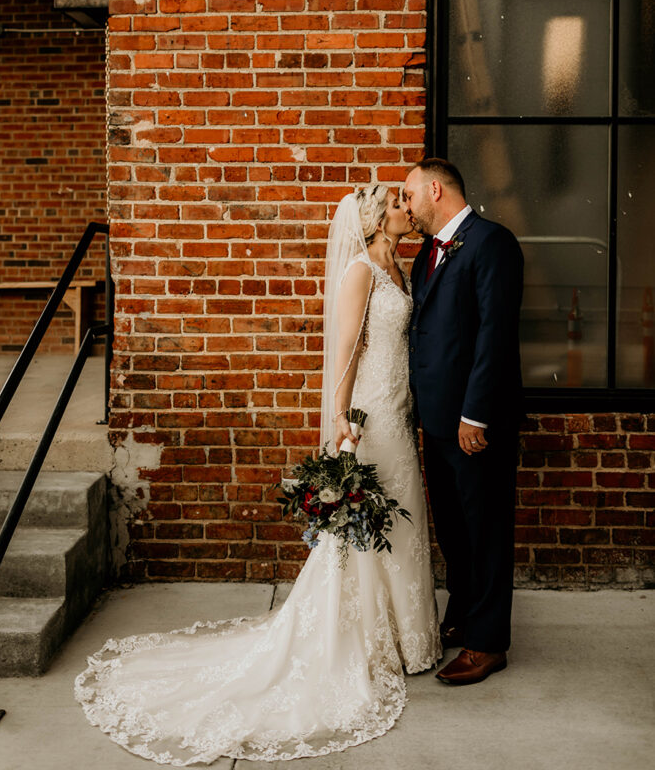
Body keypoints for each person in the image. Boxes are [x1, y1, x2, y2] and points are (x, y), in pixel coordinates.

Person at [75, 184, 442, 765]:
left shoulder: (397, 264)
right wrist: (343, 421)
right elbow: (345, 349)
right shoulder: (358, 272)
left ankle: (404, 637)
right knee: (363, 530)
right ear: (376, 218)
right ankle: (366, 643)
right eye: (398, 202)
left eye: (405, 200)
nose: (407, 207)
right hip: (371, 412)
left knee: (399, 522)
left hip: (399, 410)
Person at [402, 157, 524, 686]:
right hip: (435, 420)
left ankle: (488, 641)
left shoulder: (491, 243)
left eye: (409, 196)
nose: (406, 208)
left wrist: (474, 415)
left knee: (486, 528)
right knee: (453, 528)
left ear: (435, 190)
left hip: (474, 423)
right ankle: (464, 612)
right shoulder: (426, 254)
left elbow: (493, 338)